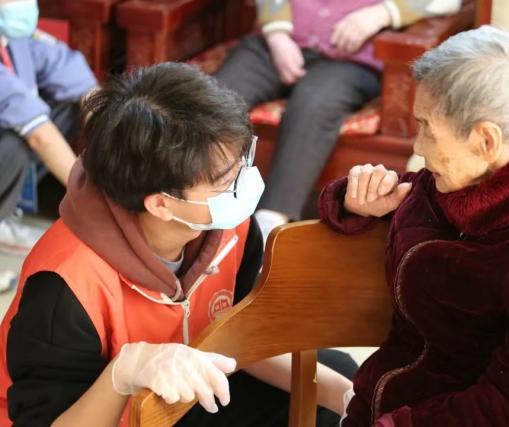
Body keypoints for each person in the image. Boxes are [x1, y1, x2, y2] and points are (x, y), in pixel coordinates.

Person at [0, 63, 355, 426]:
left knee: (338, 375)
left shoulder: (230, 224)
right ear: (161, 204)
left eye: (243, 159)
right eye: (225, 180)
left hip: (184, 390)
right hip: (105, 415)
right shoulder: (65, 286)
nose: (245, 181)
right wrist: (123, 373)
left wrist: (341, 394)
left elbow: (243, 335)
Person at [318, 26, 509, 426]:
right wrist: (353, 200)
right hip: (380, 403)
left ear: (486, 140)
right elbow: (398, 195)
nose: (417, 146)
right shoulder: (455, 179)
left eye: (427, 128)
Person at [214, 0, 462, 240]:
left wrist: (384, 12)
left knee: (315, 103)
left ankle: (268, 225)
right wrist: (276, 34)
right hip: (273, 44)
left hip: (350, 60)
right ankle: (202, 199)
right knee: (217, 97)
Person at [0, 0, 97, 256]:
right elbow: (39, 136)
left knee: (70, 105)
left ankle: (16, 202)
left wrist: (120, 147)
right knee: (16, 145)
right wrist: (92, 195)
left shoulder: (16, 40)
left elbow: (84, 86)